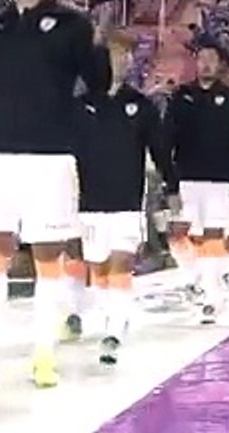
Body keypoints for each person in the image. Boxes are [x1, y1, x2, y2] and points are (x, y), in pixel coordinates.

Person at [0, 0, 108, 392]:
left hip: (51, 155)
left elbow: (98, 87)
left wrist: (100, 46)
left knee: (48, 258)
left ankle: (44, 355)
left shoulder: (73, 24)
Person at [73, 29, 172, 366]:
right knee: (98, 269)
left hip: (128, 203)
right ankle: (107, 318)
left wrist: (172, 187)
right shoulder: (81, 106)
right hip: (89, 205)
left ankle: (114, 330)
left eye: (127, 54)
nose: (122, 60)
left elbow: (160, 150)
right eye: (116, 53)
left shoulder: (141, 106)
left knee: (120, 266)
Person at [164, 44, 229, 323]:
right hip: (186, 179)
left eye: (211, 60)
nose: (205, 64)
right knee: (178, 237)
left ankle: (213, 297)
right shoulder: (181, 96)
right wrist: (169, 183)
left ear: (220, 65)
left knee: (213, 239)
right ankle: (195, 278)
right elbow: (167, 139)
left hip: (219, 180)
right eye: (201, 59)